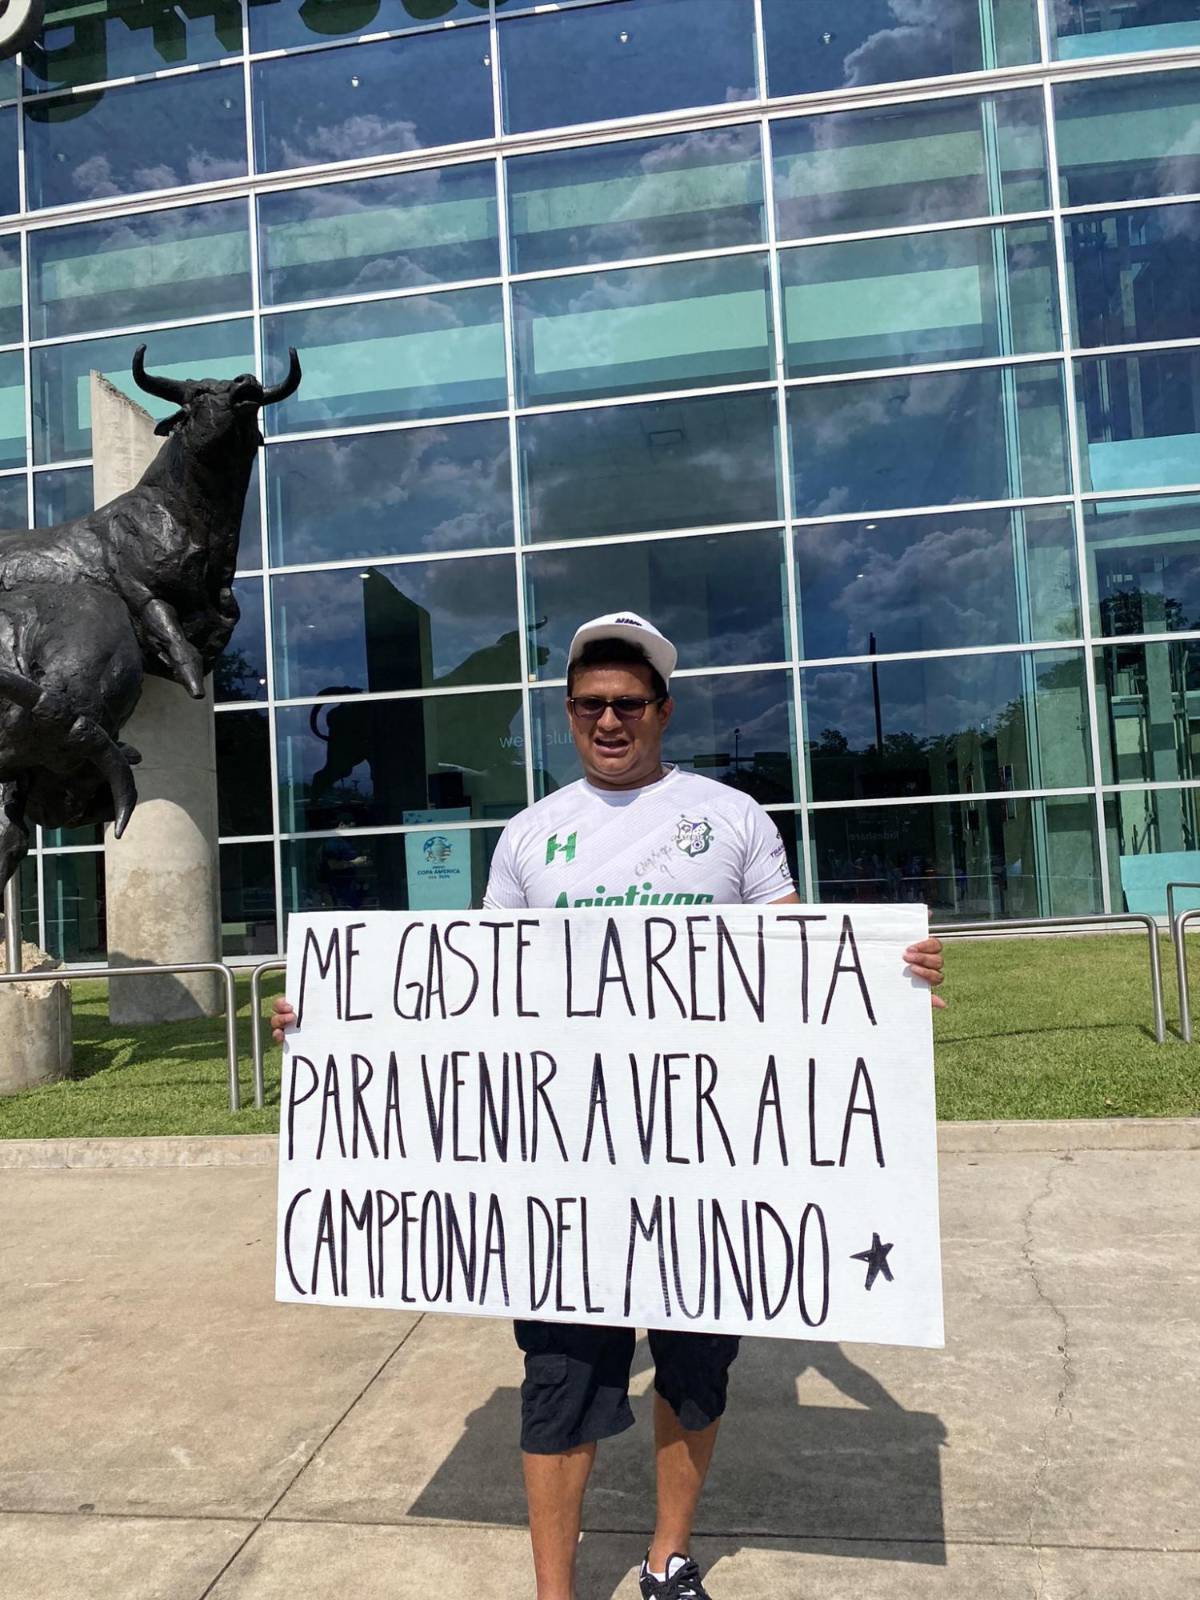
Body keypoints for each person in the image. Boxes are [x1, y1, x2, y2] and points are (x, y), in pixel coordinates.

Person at [273, 611, 945, 1600]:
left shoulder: (733, 818)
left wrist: (891, 975)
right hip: (561, 1165)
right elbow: (475, 994)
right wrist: (334, 1019)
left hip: (707, 1157)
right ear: (568, 713)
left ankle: (667, 1559)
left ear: (663, 710)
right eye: (591, 703)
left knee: (692, 1372)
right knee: (556, 1382)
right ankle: (556, 1592)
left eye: (630, 702)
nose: (611, 719)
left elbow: (803, 971)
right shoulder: (530, 837)